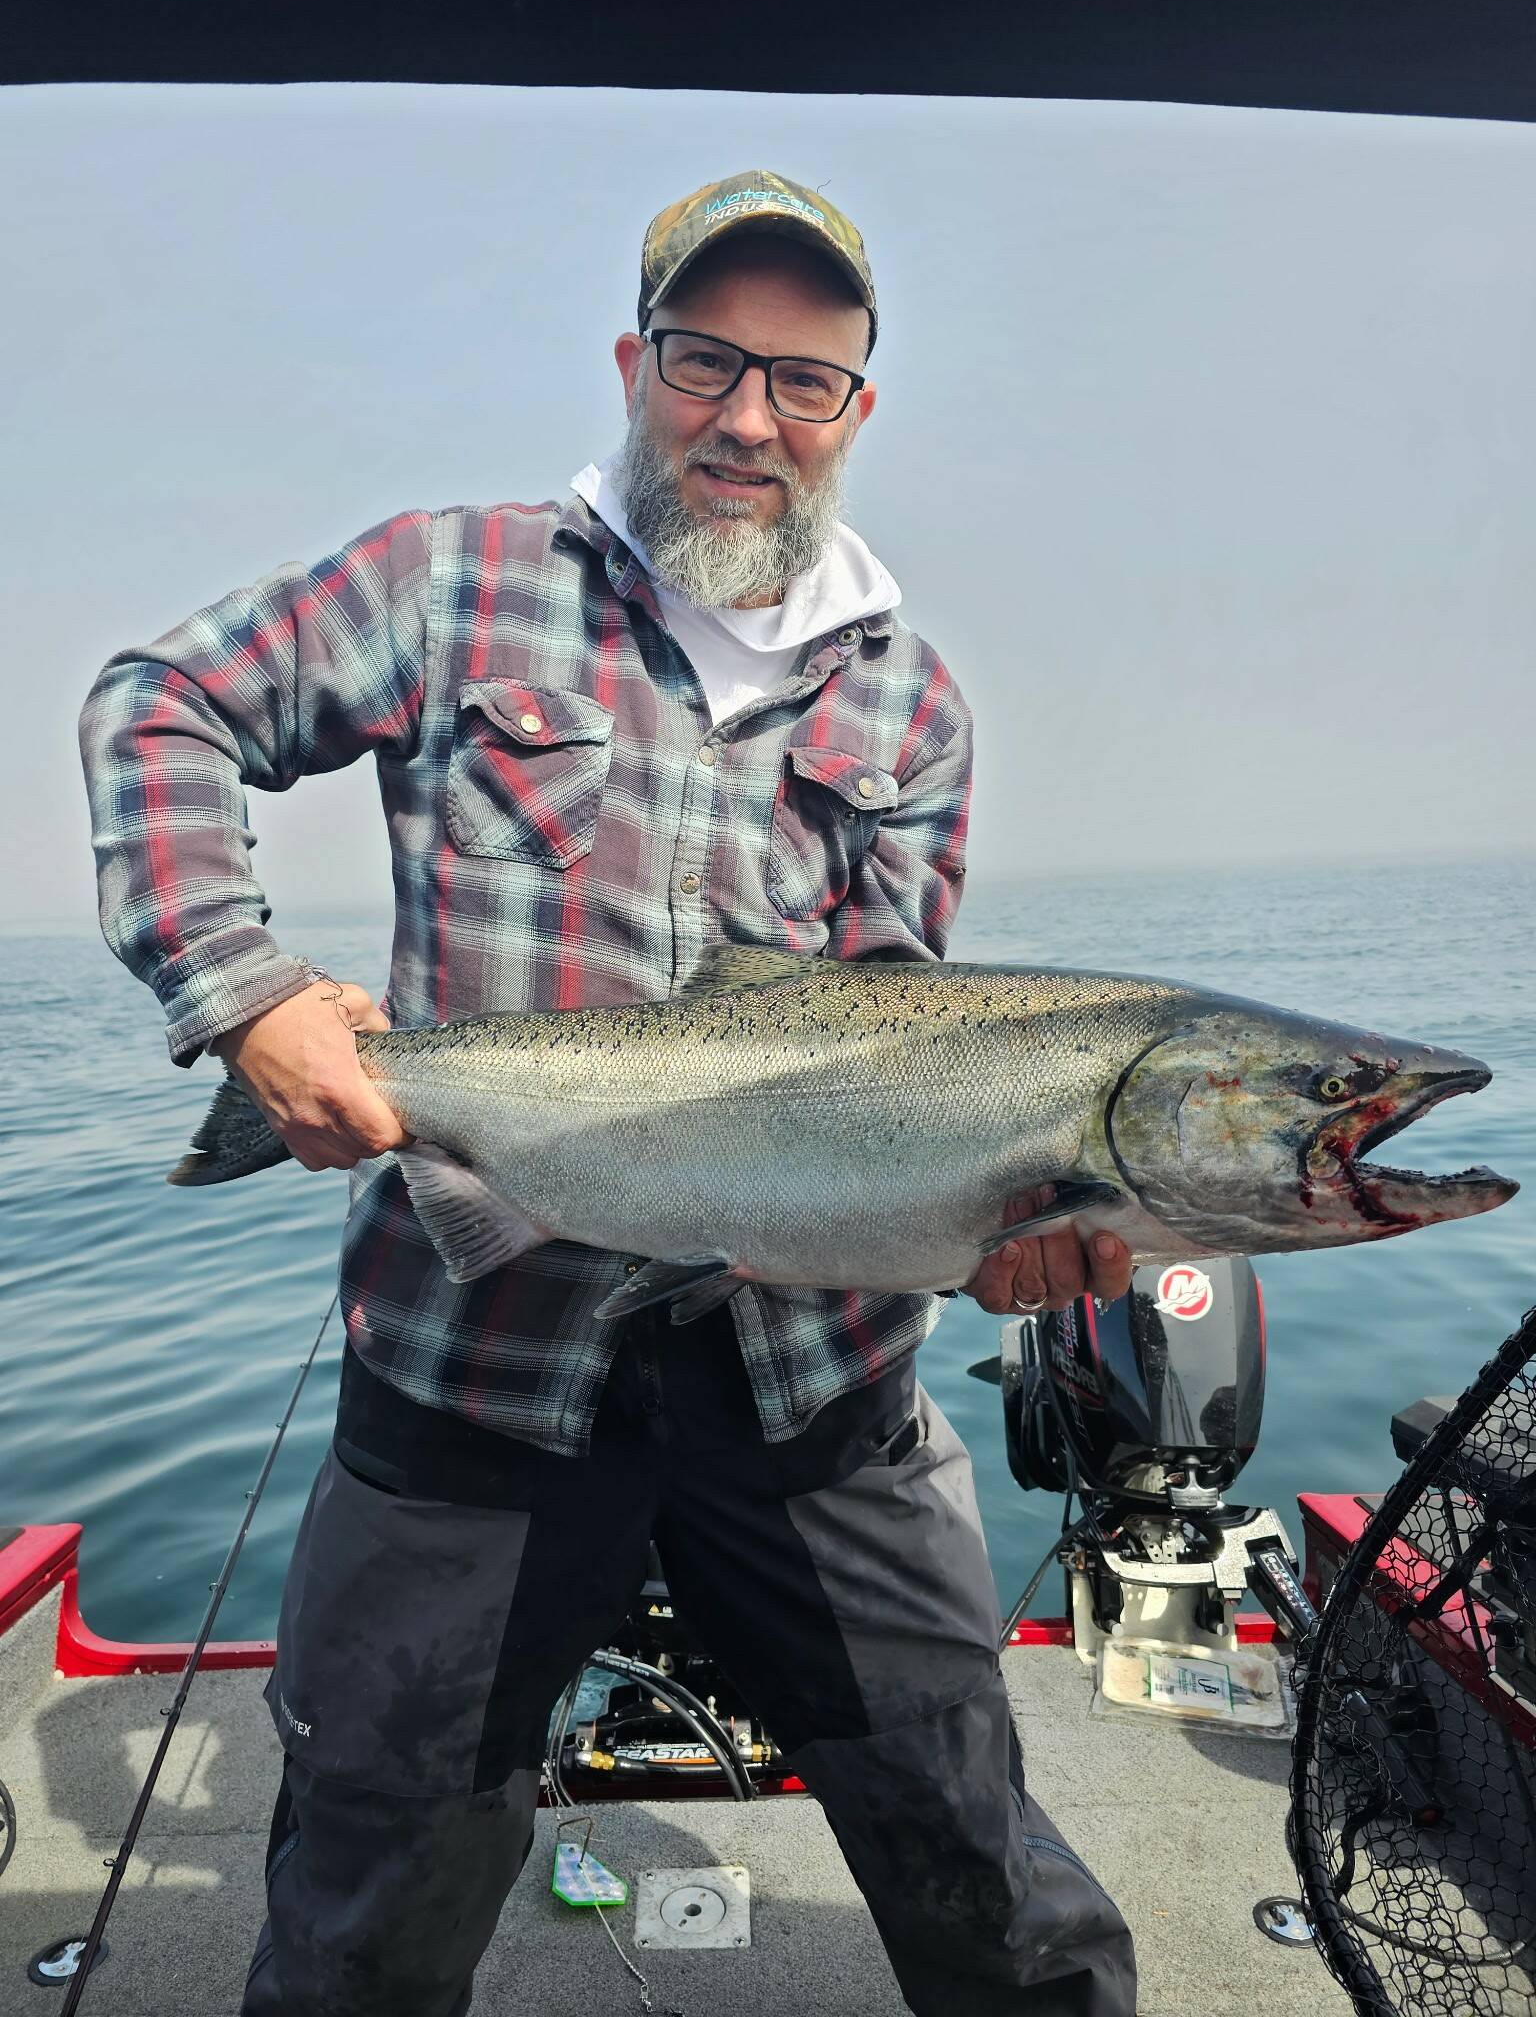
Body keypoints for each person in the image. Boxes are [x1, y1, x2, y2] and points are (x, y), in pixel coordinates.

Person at [81, 168, 1137, 2016]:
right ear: (635, 367)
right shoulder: (453, 583)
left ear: (855, 410)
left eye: (802, 380)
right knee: (370, 1895)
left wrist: (997, 1226)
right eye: (706, 361)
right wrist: (245, 997)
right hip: (474, 1369)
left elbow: (899, 1030)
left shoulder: (915, 706)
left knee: (980, 1857)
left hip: (813, 1386)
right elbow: (162, 700)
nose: (749, 418)